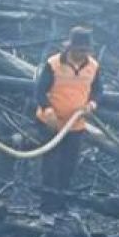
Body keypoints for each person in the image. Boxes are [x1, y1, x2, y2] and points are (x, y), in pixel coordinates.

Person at [33, 26, 103, 223]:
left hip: (76, 126)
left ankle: (62, 207)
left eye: (86, 50)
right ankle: (47, 210)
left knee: (68, 167)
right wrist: (47, 110)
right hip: (51, 124)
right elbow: (39, 91)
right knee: (50, 167)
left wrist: (92, 103)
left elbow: (98, 90)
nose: (83, 54)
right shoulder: (53, 64)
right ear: (70, 47)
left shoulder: (93, 66)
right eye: (79, 49)